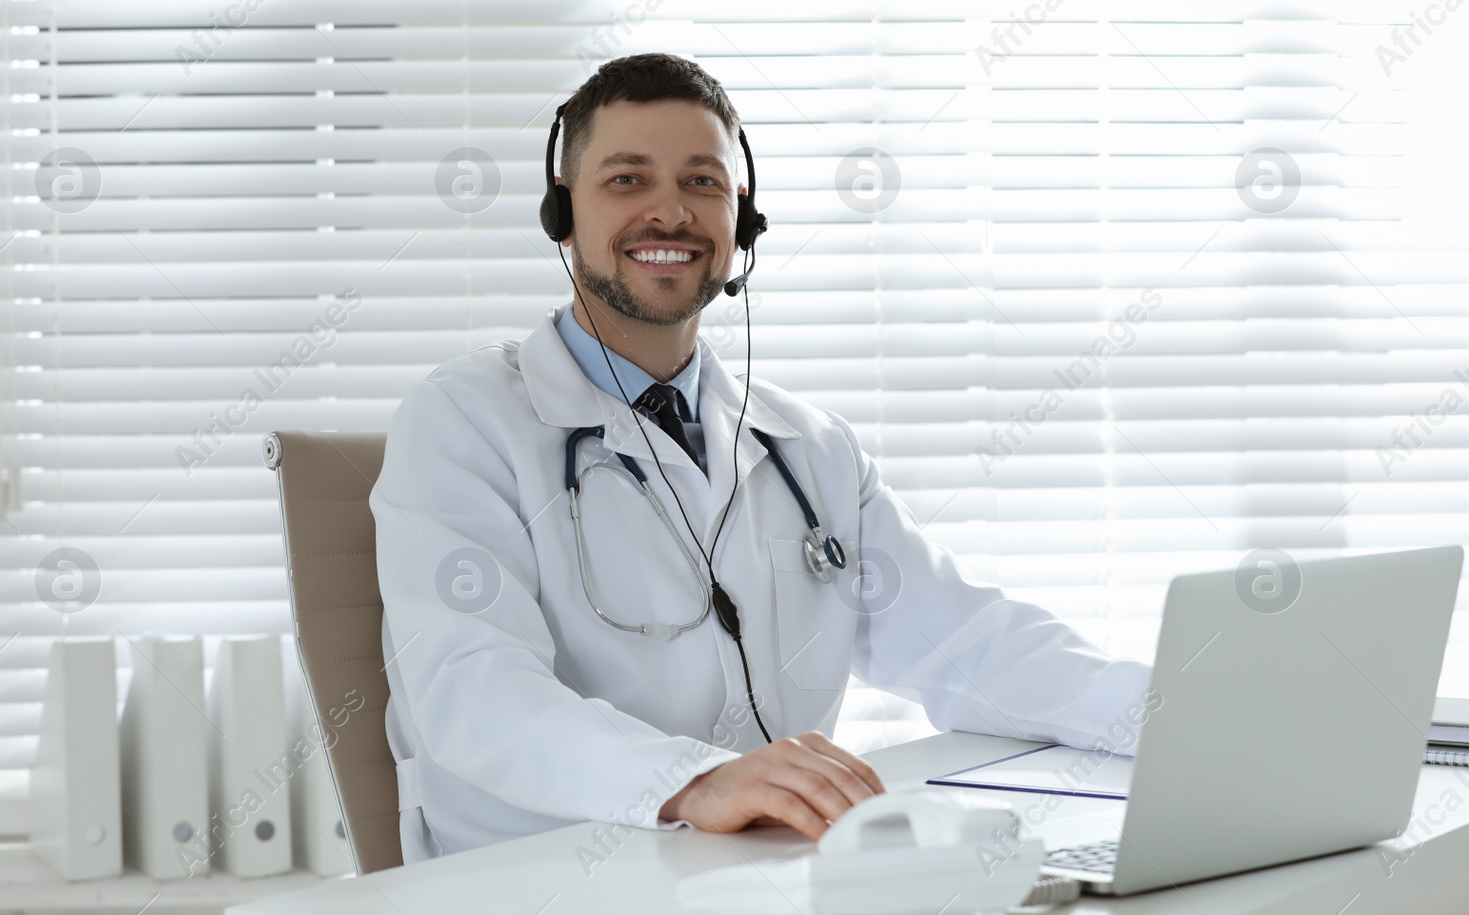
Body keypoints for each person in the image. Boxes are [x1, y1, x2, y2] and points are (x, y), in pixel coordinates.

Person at [370, 52, 1154, 862]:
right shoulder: (461, 423)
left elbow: (968, 640)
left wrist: (1178, 713)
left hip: (755, 871)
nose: (669, 213)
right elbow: (471, 691)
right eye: (628, 179)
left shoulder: (806, 447)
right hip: (540, 877)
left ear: (741, 219)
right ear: (560, 213)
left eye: (702, 182)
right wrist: (694, 780)